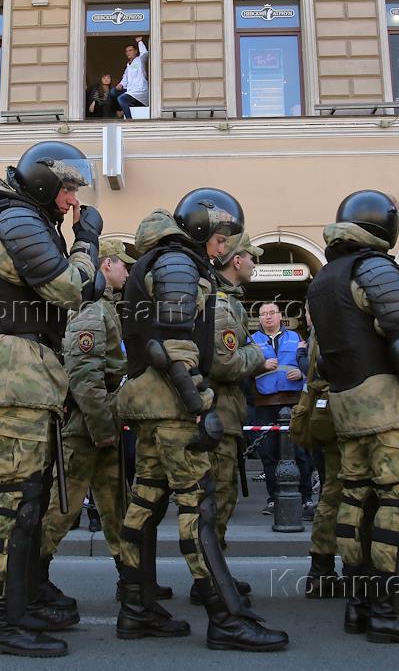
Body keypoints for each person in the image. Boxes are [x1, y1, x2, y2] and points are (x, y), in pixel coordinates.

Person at [115, 187, 288, 651]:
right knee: (198, 506)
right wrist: (200, 406)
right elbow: (172, 346)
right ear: (201, 229)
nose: (224, 245)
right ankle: (225, 618)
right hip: (174, 406)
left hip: (154, 404)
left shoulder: (165, 261)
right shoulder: (178, 262)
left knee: (145, 502)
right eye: (221, 235)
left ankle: (136, 608)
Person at [0, 141, 101, 657]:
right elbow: (70, 288)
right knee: (16, 503)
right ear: (44, 184)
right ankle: (3, 621)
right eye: (67, 189)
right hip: (15, 370)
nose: (72, 201)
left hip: (28, 370)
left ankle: (22, 605)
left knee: (30, 500)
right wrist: (86, 241)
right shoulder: (17, 218)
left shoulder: (26, 218)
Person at [308, 190, 399, 644]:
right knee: (394, 505)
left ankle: (360, 604)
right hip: (387, 406)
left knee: (355, 502)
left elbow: (325, 358)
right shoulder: (375, 268)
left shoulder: (324, 278)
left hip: (347, 405)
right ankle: (390, 610)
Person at [37, 238, 140, 612]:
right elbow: (84, 377)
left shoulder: (104, 306)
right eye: (123, 264)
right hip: (88, 427)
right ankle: (33, 576)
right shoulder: (91, 308)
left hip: (101, 421)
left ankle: (132, 581)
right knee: (62, 507)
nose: (127, 272)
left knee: (117, 506)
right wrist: (103, 430)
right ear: (106, 264)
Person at [191, 232, 267, 605]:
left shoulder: (227, 301)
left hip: (223, 415)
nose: (254, 263)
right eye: (252, 257)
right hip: (217, 415)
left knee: (222, 496)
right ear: (236, 260)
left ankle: (215, 573)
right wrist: (257, 355)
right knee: (217, 498)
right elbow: (226, 363)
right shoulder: (221, 304)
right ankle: (209, 580)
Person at [291, 308, 347, 599]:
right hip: (351, 413)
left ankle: (321, 571)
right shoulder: (340, 320)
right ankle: (363, 575)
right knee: (357, 496)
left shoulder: (318, 331)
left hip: (328, 412)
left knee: (332, 493)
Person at [250, 302, 312, 516]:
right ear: (259, 319)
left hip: (293, 401)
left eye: (271, 313)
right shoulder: (251, 341)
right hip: (264, 403)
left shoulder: (296, 337)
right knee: (269, 455)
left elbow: (310, 364)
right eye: (263, 314)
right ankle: (273, 499)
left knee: (300, 453)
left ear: (280, 316)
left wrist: (302, 374)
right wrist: (260, 366)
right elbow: (242, 368)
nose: (268, 317)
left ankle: (305, 498)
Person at [110, 37, 149, 119]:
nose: (128, 53)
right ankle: (119, 110)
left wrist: (140, 42)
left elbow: (145, 53)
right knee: (113, 91)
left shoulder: (140, 60)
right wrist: (121, 84)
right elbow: (125, 78)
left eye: (130, 50)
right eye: (126, 51)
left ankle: (129, 120)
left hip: (140, 91)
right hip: (130, 90)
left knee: (121, 99)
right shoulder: (128, 66)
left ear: (136, 51)